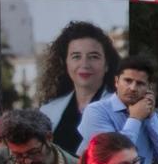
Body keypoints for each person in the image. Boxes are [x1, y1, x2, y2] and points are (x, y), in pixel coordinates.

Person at [76, 55, 158, 164]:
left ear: (149, 88)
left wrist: (150, 117)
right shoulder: (96, 110)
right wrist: (135, 118)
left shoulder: (149, 115)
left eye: (140, 83)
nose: (133, 88)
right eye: (128, 81)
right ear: (117, 81)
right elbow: (111, 154)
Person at [37, 21, 119, 155]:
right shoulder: (48, 111)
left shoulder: (120, 109)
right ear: (65, 63)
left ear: (107, 65)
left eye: (93, 57)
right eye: (76, 57)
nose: (84, 64)